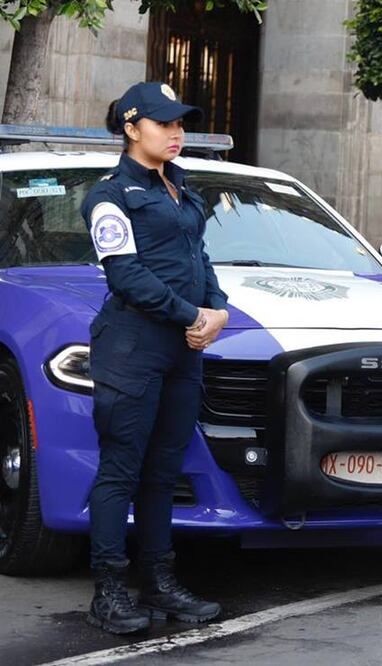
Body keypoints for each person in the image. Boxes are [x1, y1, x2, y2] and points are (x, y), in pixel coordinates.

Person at [82, 82, 227, 634]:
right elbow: (126, 275)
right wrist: (193, 317)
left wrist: (219, 309)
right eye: (164, 123)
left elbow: (201, 257)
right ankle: (109, 591)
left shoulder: (180, 189)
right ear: (131, 128)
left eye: (180, 124)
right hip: (133, 347)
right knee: (121, 469)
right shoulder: (110, 196)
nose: (176, 132)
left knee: (164, 473)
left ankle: (160, 584)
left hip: (183, 351)